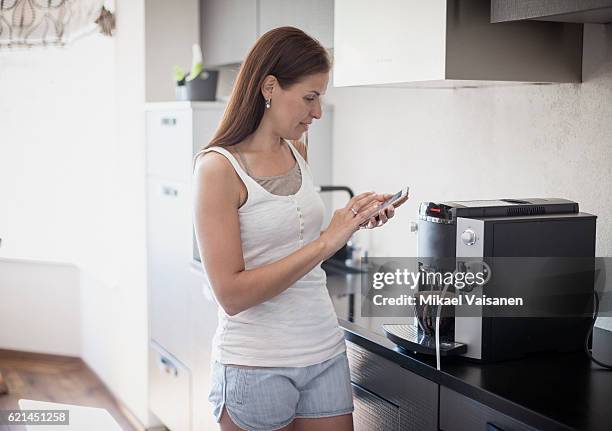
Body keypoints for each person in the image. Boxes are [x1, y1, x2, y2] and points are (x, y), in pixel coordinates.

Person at [193, 26, 399, 431]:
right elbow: (232, 295)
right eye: (310, 97)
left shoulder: (297, 149)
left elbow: (296, 239)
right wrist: (329, 240)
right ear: (270, 87)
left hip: (323, 352)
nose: (318, 112)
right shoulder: (218, 168)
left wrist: (352, 223)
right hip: (255, 365)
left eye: (320, 97)